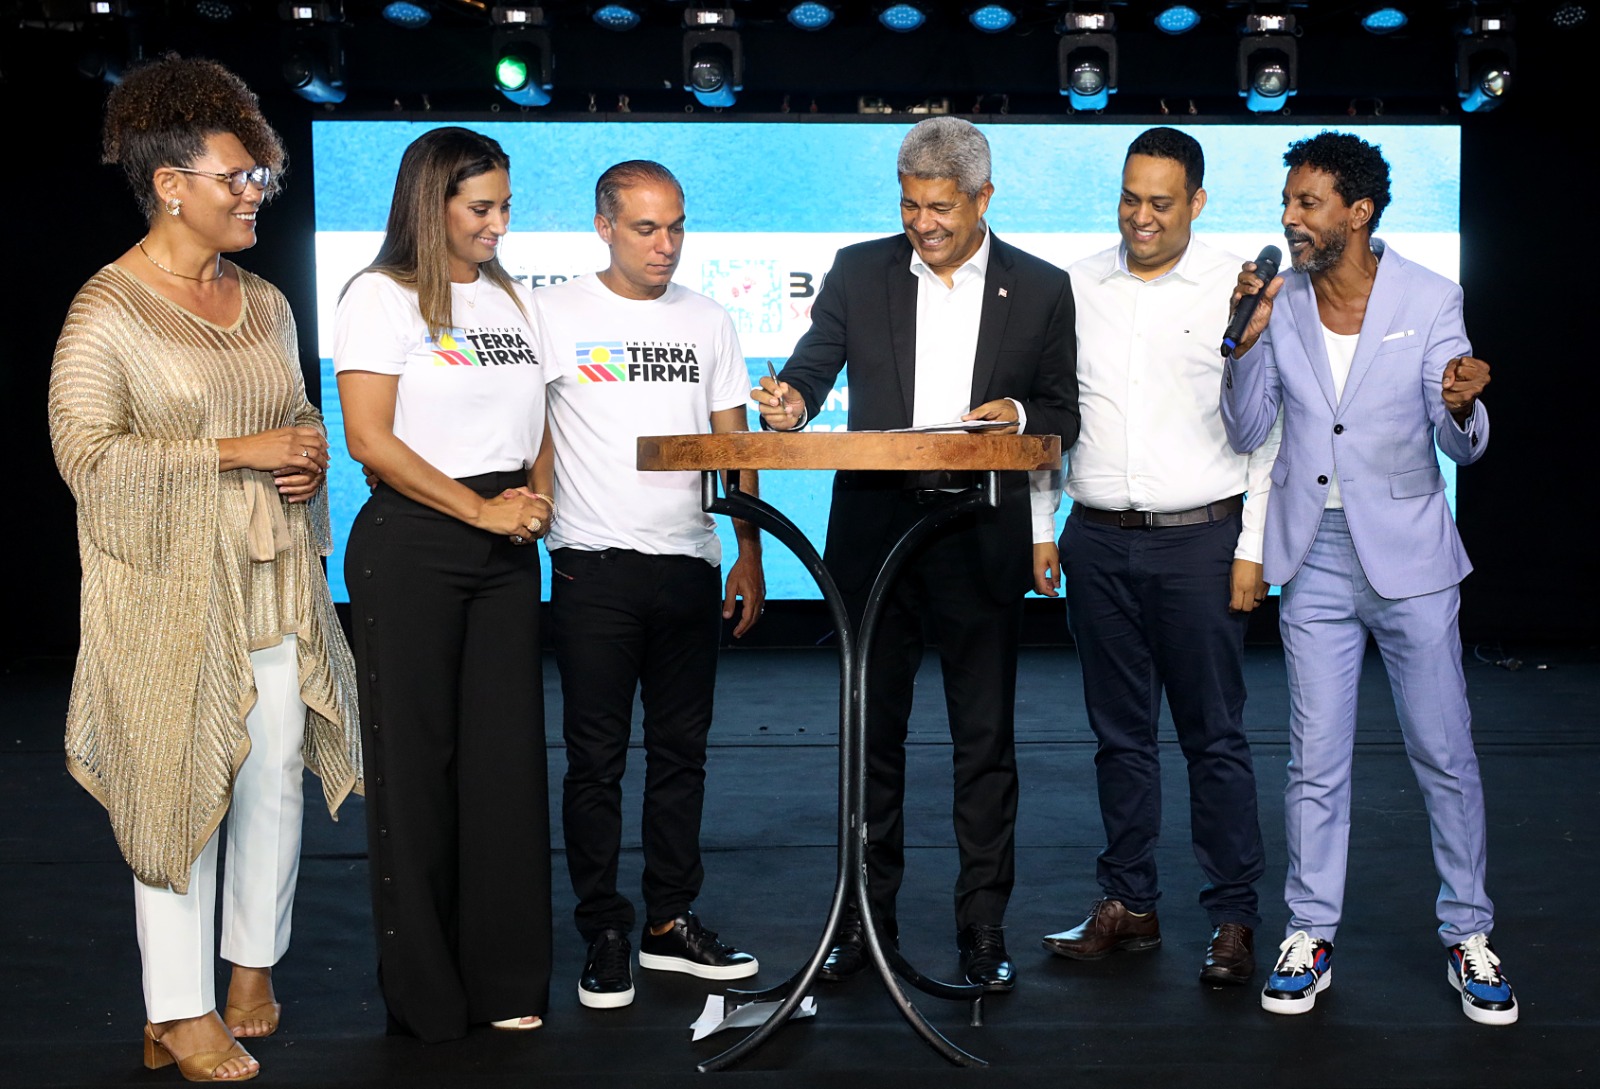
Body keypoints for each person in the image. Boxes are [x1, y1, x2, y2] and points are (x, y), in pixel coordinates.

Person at [47, 56, 361, 1082]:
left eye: (259, 175)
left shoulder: (264, 301)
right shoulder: (107, 312)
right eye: (236, 177)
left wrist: (306, 453)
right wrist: (235, 452)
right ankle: (177, 1011)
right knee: (176, 790)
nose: (255, 193)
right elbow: (88, 460)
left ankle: (251, 965)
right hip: (167, 599)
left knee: (272, 777)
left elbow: (296, 413)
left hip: (272, 581)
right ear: (170, 184)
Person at [754, 117, 1078, 992]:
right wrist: (790, 404)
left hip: (979, 529)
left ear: (984, 197)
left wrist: (1018, 416)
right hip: (875, 530)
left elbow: (1063, 412)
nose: (923, 224)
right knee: (872, 736)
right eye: (909, 205)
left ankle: (983, 928)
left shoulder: (1041, 287)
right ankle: (863, 923)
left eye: (941, 208)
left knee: (984, 741)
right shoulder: (859, 269)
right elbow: (811, 368)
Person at [1221, 132, 1513, 1024]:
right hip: (1313, 555)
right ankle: (1309, 934)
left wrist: (1462, 404)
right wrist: (1244, 345)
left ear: (1358, 211)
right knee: (1314, 760)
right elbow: (1246, 430)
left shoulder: (1429, 295)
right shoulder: (1281, 301)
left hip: (1411, 559)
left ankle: (1469, 934)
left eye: (1307, 202)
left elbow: (1459, 432)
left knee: (1444, 752)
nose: (1290, 217)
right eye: (1287, 201)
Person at [1034, 127, 1277, 987]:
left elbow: (1267, 426)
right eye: (1130, 198)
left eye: (1162, 202)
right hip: (1096, 538)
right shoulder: (1073, 284)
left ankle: (1234, 917)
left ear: (1197, 202)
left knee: (1215, 737)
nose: (1142, 216)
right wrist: (1041, 524)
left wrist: (1252, 546)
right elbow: (1051, 412)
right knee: (1119, 737)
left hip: (1202, 542)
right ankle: (1128, 901)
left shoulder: (1236, 290)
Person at [334, 127, 554, 1041]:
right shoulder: (379, 295)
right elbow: (368, 439)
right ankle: (426, 994)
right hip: (415, 542)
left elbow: (538, 418)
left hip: (504, 547)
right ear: (433, 204)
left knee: (506, 767)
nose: (499, 224)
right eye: (481, 208)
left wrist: (535, 498)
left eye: (505, 206)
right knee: (416, 774)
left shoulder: (508, 295)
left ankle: (504, 979)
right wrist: (479, 512)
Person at [530, 160, 764, 1010]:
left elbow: (734, 445)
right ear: (603, 227)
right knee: (594, 762)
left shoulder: (709, 319)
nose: (665, 244)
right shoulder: (552, 313)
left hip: (690, 565)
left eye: (676, 227)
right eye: (645, 228)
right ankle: (603, 929)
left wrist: (749, 550)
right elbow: (532, 430)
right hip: (592, 566)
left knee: (681, 755)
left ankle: (669, 920)